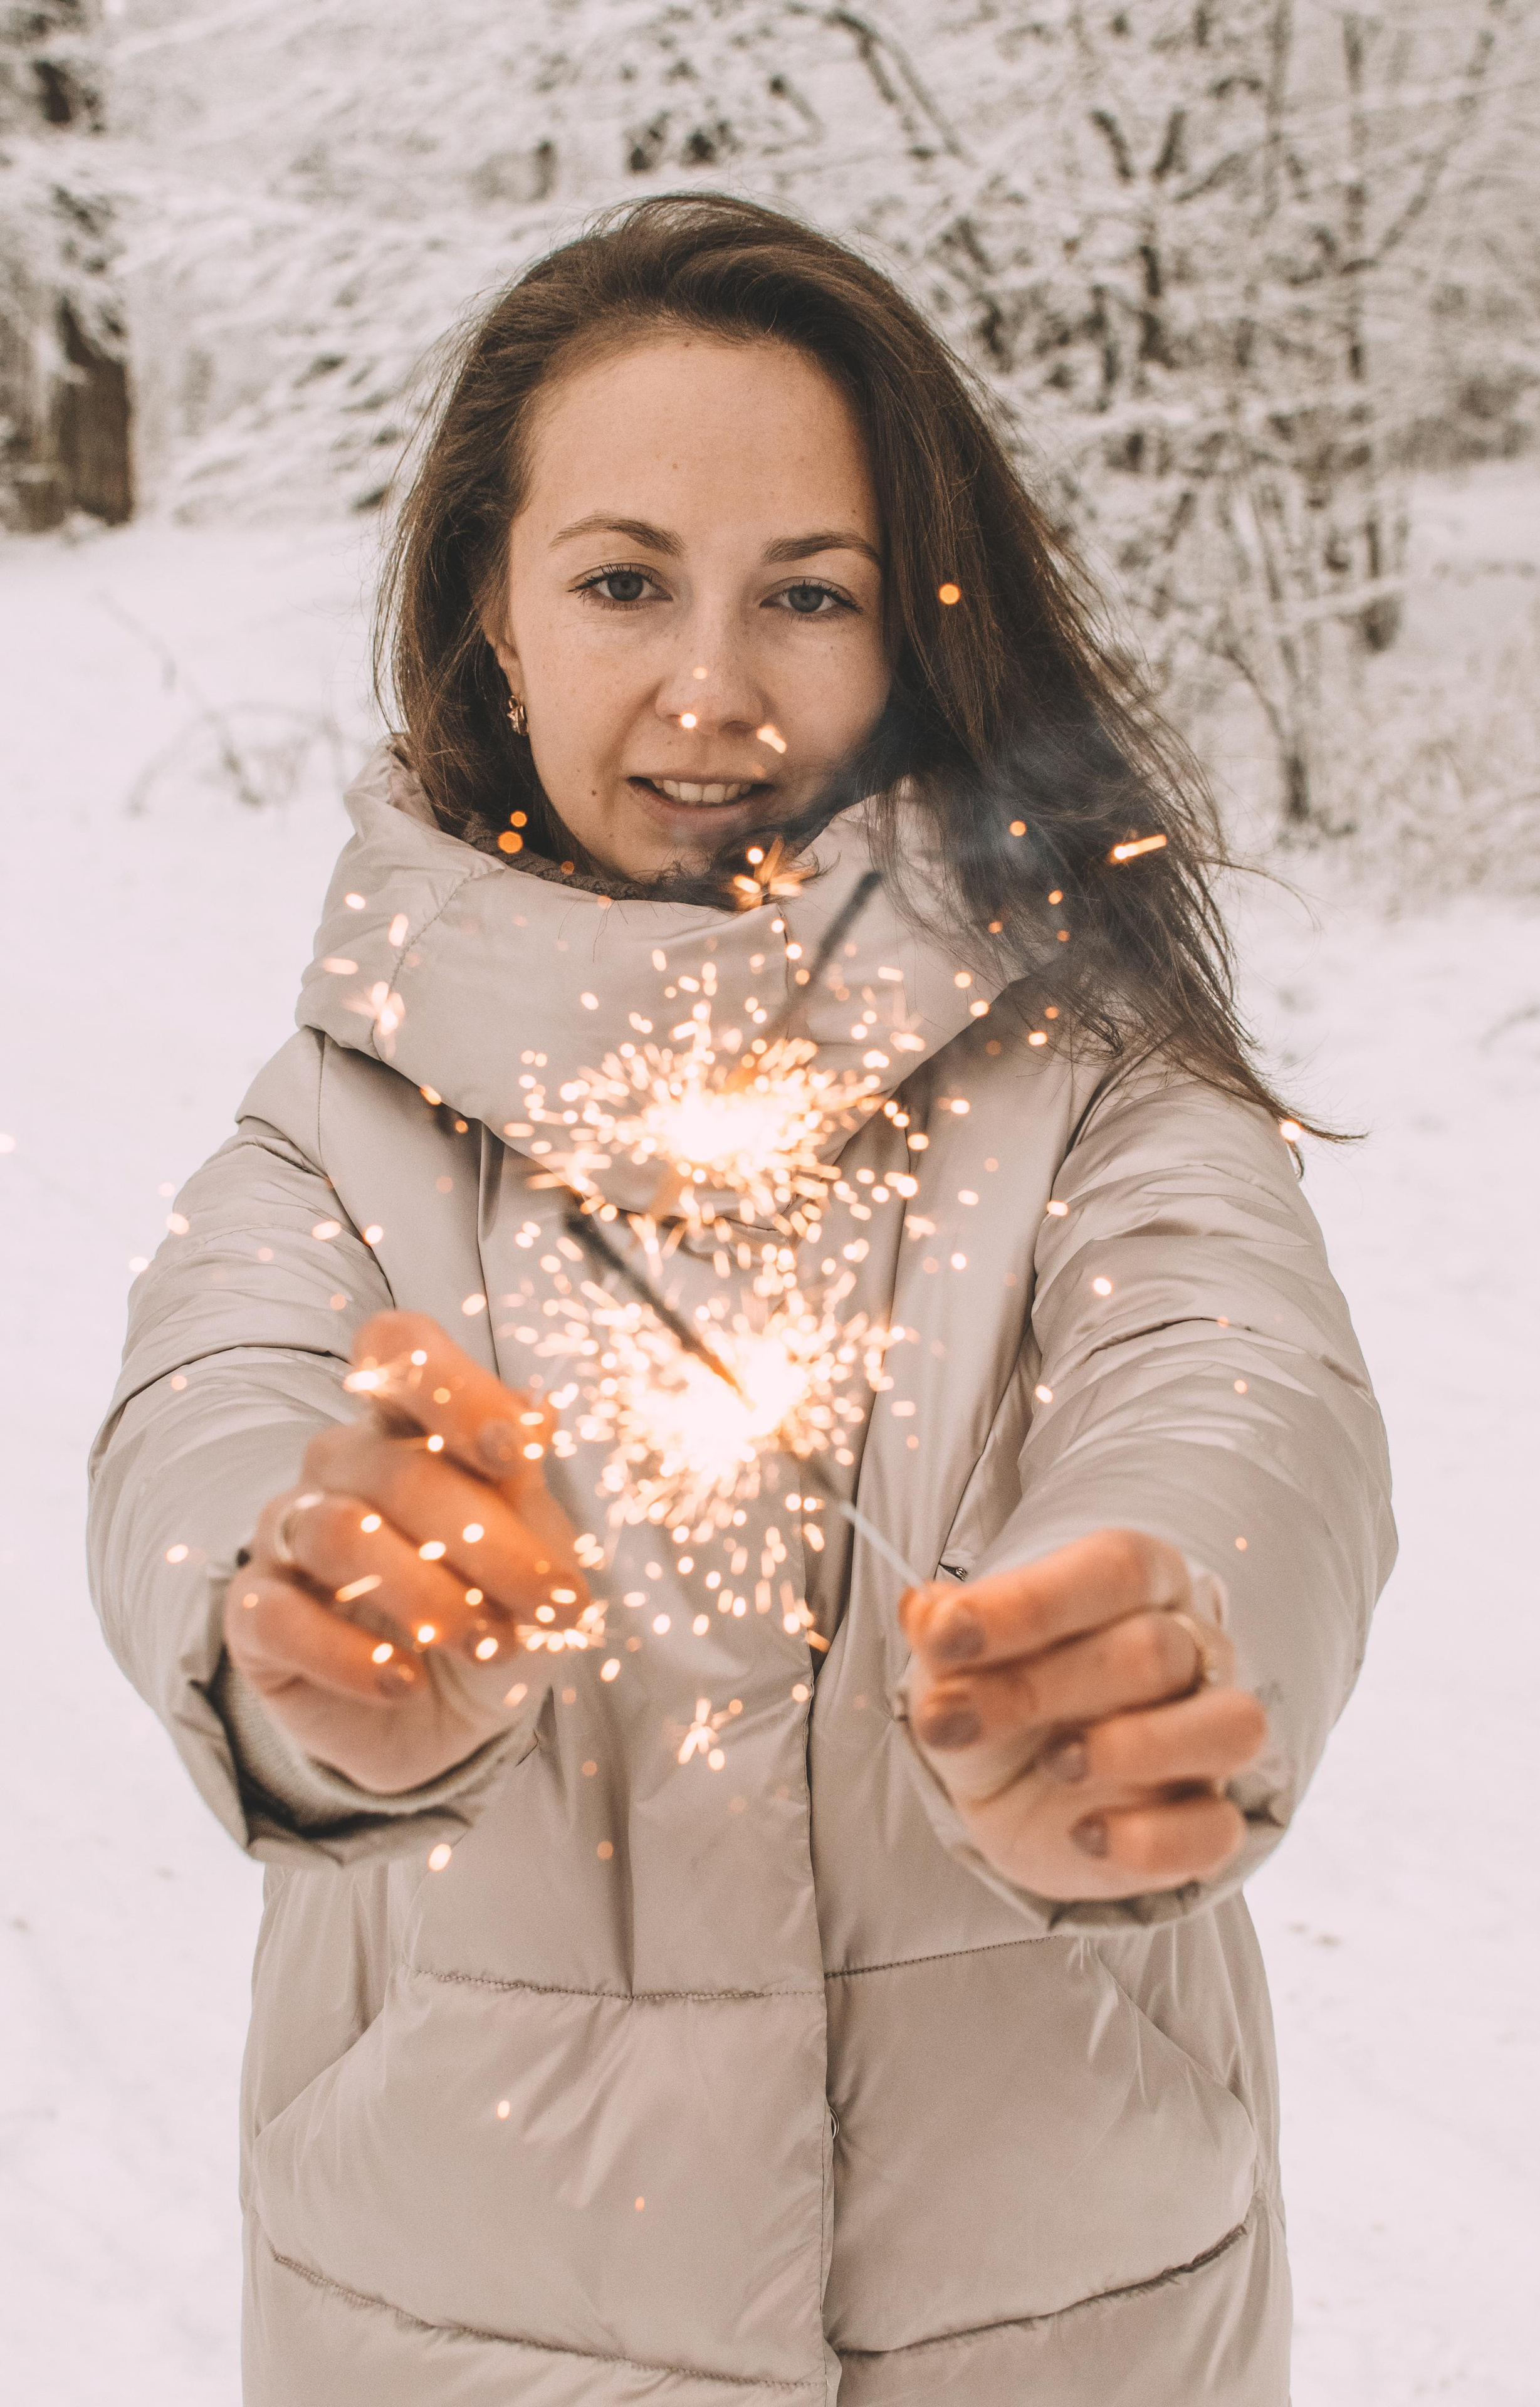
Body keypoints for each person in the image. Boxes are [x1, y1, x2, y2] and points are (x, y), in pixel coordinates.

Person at [88, 194, 1394, 2406]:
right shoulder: (346, 1120)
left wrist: (1158, 1623)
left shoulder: (1093, 1078)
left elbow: (1238, 1379)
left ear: (922, 628)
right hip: (457, 2319)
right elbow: (206, 1407)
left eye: (809, 593)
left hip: (1057, 2320)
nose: (712, 690)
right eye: (624, 584)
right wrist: (293, 1620)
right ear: (495, 612)